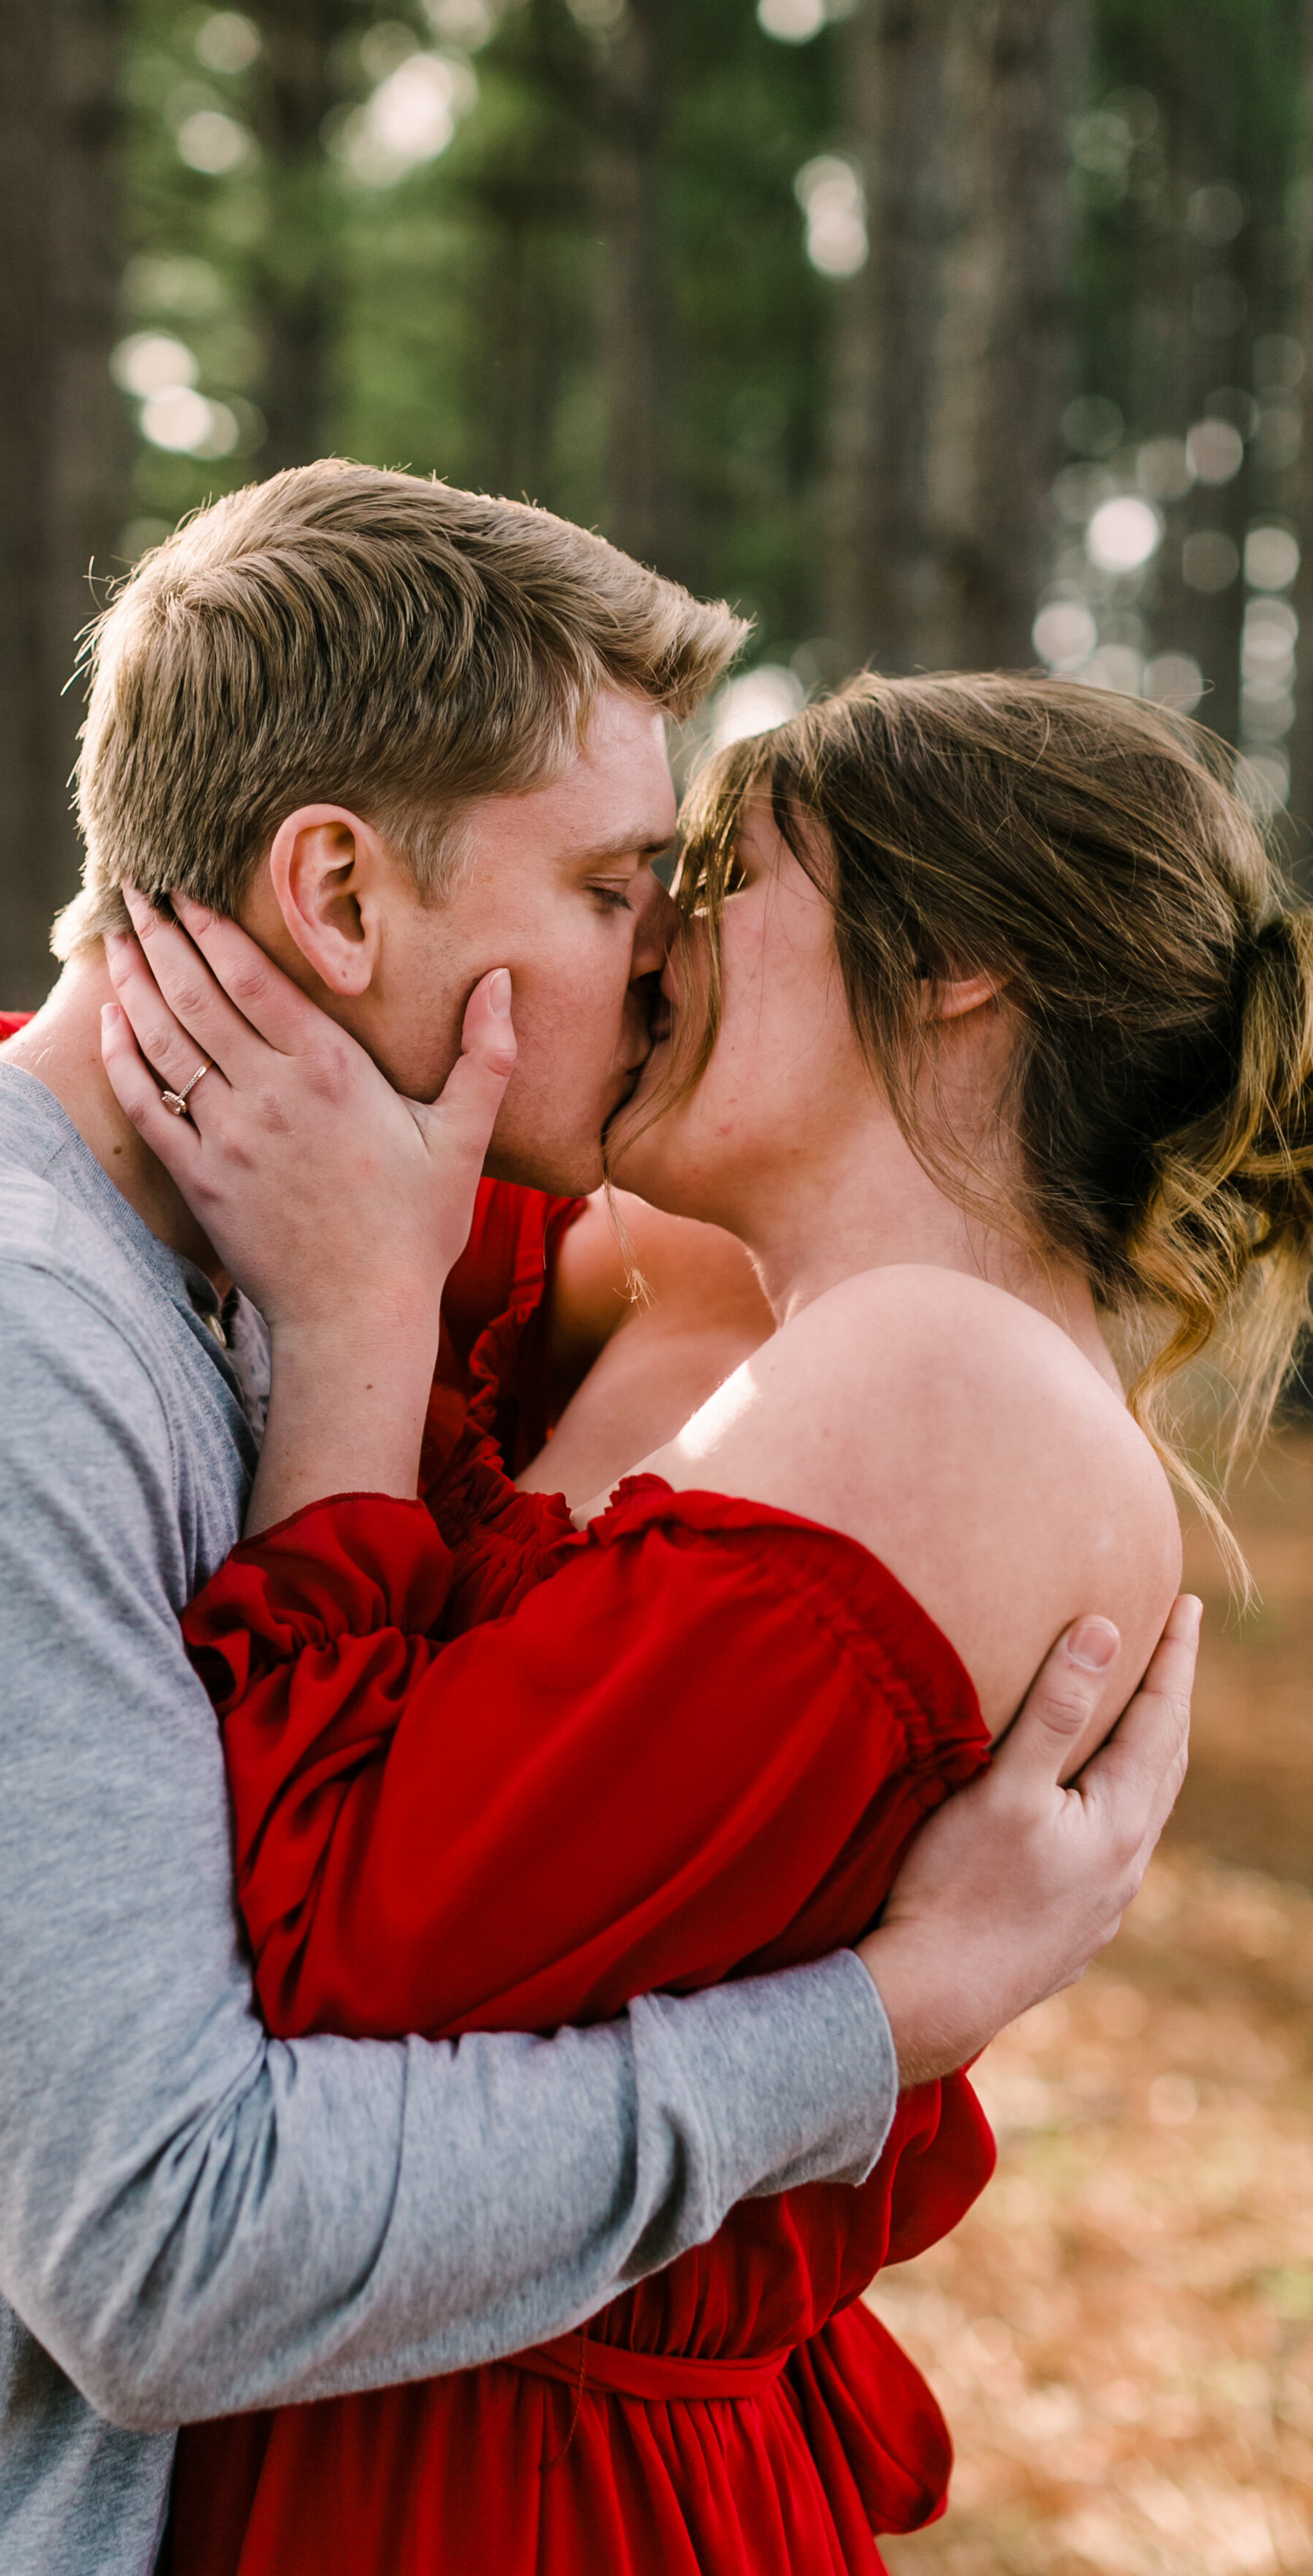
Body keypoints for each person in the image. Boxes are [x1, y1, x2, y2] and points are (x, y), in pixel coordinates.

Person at [0, 472, 1192, 2576]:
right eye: (608, 888)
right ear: (333, 895)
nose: (656, 940)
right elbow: (180, 2246)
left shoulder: (311, 1249)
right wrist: (875, 2023)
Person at [79, 669, 1298, 2575]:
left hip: (513, 2509)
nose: (649, 936)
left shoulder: (943, 1385)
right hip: (371, 2399)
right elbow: (226, 1115)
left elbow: (333, 1948)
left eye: (720, 876)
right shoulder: (709, 1297)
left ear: (954, 964)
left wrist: (354, 1336)